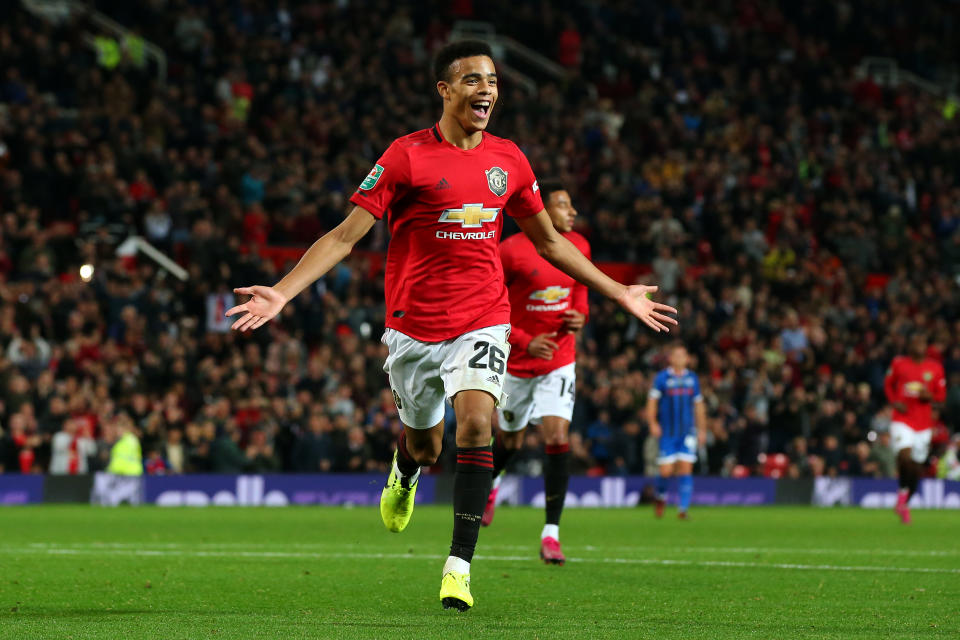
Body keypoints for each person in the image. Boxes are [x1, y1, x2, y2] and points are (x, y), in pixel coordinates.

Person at [225, 40, 677, 612]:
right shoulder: (406, 156)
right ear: (444, 90)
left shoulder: (510, 160)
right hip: (413, 325)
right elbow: (346, 234)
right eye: (470, 80)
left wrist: (617, 291)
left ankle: (459, 565)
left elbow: (549, 242)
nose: (485, 89)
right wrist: (284, 292)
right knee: (426, 441)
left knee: (475, 426)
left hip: (484, 316)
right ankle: (405, 469)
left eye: (491, 80)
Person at [479, 179, 590, 566]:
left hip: (560, 358)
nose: (572, 211)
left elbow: (580, 288)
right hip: (518, 363)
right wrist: (525, 341)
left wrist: (581, 315)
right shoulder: (509, 251)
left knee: (557, 435)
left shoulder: (580, 246)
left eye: (572, 205)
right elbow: (493, 305)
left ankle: (551, 535)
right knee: (509, 441)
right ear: (542, 208)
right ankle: (492, 484)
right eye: (563, 204)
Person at [884, 334, 946, 524]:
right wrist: (895, 402)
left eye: (921, 342)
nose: (918, 345)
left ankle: (903, 501)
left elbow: (941, 396)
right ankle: (903, 498)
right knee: (904, 456)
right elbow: (888, 384)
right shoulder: (899, 363)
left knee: (917, 466)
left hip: (924, 424)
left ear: (926, 346)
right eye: (915, 342)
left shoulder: (935, 368)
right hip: (902, 419)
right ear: (909, 345)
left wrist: (930, 396)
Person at [646, 343, 706, 519]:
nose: (680, 359)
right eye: (676, 355)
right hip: (667, 433)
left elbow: (699, 405)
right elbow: (652, 402)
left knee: (686, 469)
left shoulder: (692, 379)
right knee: (665, 471)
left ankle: (683, 509)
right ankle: (660, 497)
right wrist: (652, 422)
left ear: (687, 359)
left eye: (683, 355)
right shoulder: (662, 378)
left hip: (687, 432)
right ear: (670, 358)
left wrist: (702, 429)